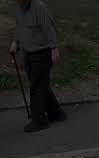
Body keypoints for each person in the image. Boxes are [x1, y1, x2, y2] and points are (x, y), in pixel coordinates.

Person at [9, 0, 66, 133]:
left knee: (36, 86)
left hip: (42, 53)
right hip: (28, 53)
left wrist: (54, 49)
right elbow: (20, 27)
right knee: (41, 85)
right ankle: (56, 114)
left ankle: (39, 121)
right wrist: (15, 42)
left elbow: (49, 28)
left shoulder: (39, 7)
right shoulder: (18, 8)